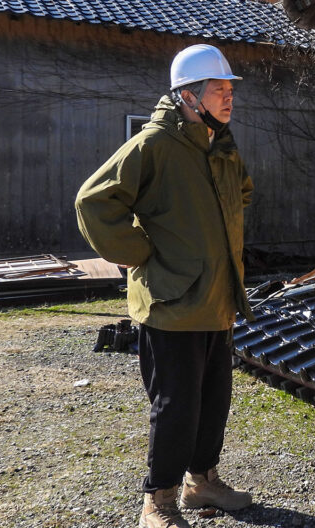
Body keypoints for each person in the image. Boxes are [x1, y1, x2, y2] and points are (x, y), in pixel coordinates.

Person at [76, 44, 256, 528]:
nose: (228, 97)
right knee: (175, 406)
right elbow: (94, 202)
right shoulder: (154, 144)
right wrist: (140, 253)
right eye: (218, 89)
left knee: (214, 401)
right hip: (171, 303)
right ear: (187, 95)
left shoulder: (220, 143)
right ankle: (157, 502)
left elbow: (242, 190)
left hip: (216, 299)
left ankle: (203, 483)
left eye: (229, 89)